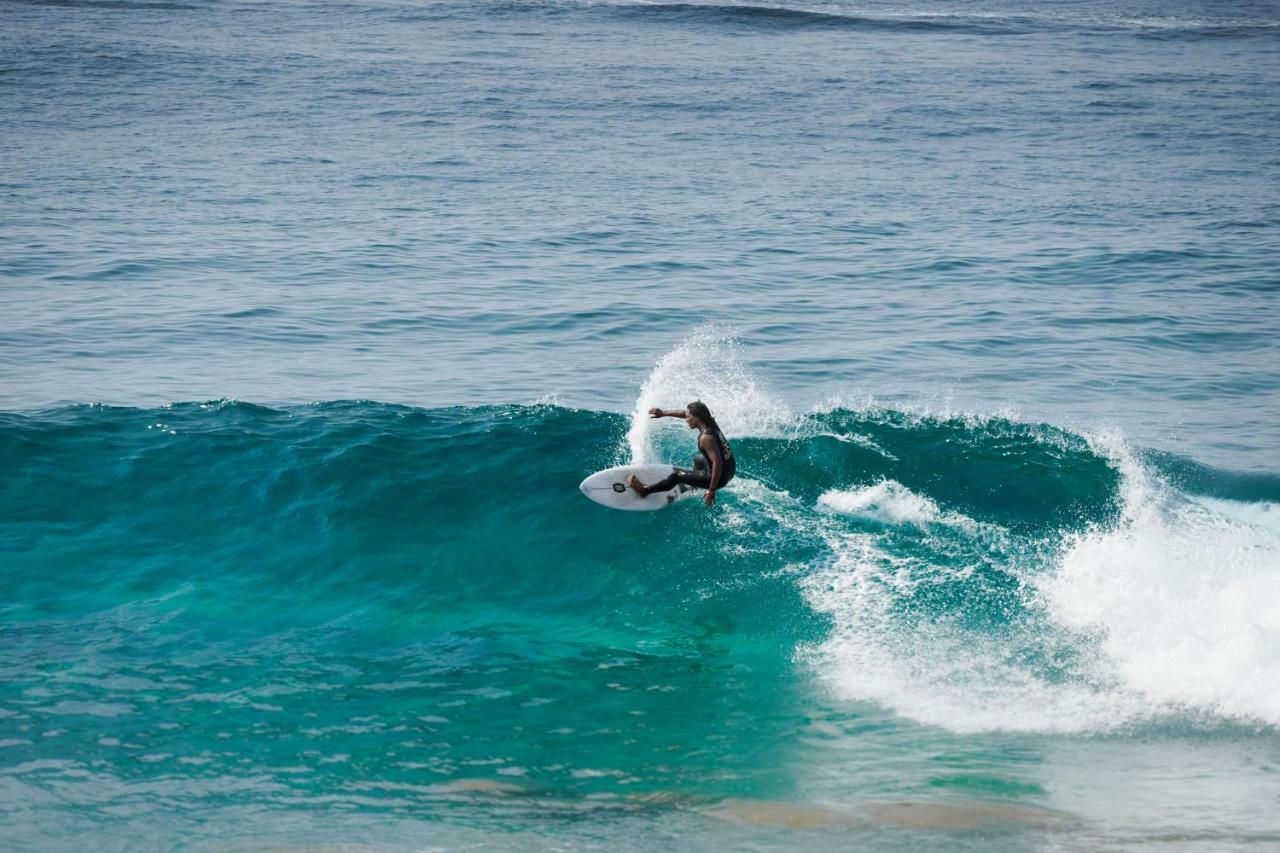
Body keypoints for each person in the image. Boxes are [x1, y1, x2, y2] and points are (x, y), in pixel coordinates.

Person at [628, 401, 735, 506]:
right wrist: (664, 413)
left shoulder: (706, 438)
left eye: (688, 417)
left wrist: (712, 490)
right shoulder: (710, 422)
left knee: (677, 476)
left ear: (697, 417)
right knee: (698, 459)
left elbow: (718, 463)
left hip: (720, 478)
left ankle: (645, 491)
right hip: (730, 470)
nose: (686, 420)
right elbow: (684, 413)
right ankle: (695, 483)